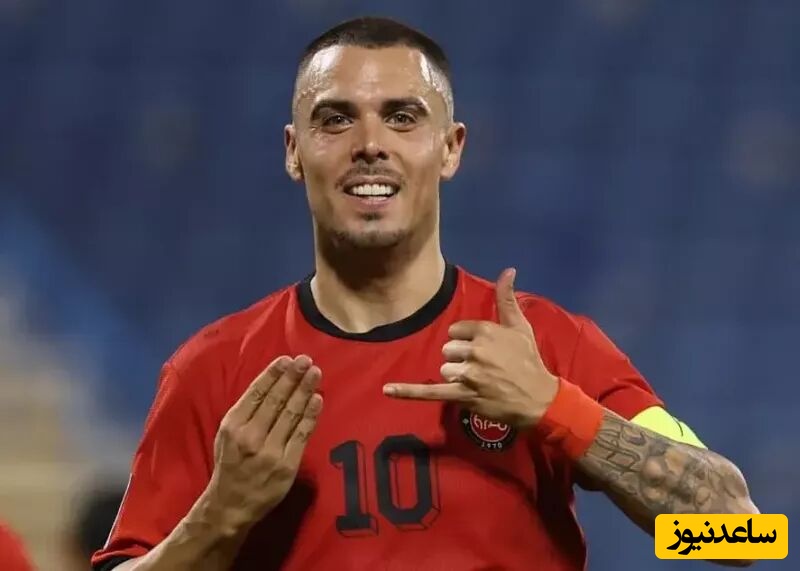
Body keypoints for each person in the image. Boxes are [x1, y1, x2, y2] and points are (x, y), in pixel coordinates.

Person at [91, 16, 759, 571]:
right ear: (294, 151)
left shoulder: (547, 346)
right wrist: (220, 514)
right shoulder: (216, 370)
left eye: (402, 117)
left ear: (450, 148)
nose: (370, 144)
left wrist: (555, 407)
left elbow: (742, 538)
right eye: (336, 119)